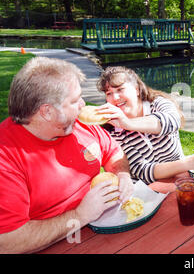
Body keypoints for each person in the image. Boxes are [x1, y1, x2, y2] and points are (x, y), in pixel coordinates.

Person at [0, 57, 134, 254]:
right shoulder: (6, 157)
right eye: (74, 100)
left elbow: (114, 152)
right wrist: (80, 216)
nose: (83, 104)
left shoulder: (75, 125)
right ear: (47, 111)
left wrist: (122, 174)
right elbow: (7, 242)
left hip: (107, 231)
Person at [96, 66, 194, 185]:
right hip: (147, 193)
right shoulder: (112, 133)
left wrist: (128, 123)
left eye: (120, 89)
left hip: (180, 178)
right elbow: (142, 170)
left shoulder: (157, 103)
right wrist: (186, 164)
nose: (115, 98)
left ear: (136, 89)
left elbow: (172, 121)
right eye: (109, 93)